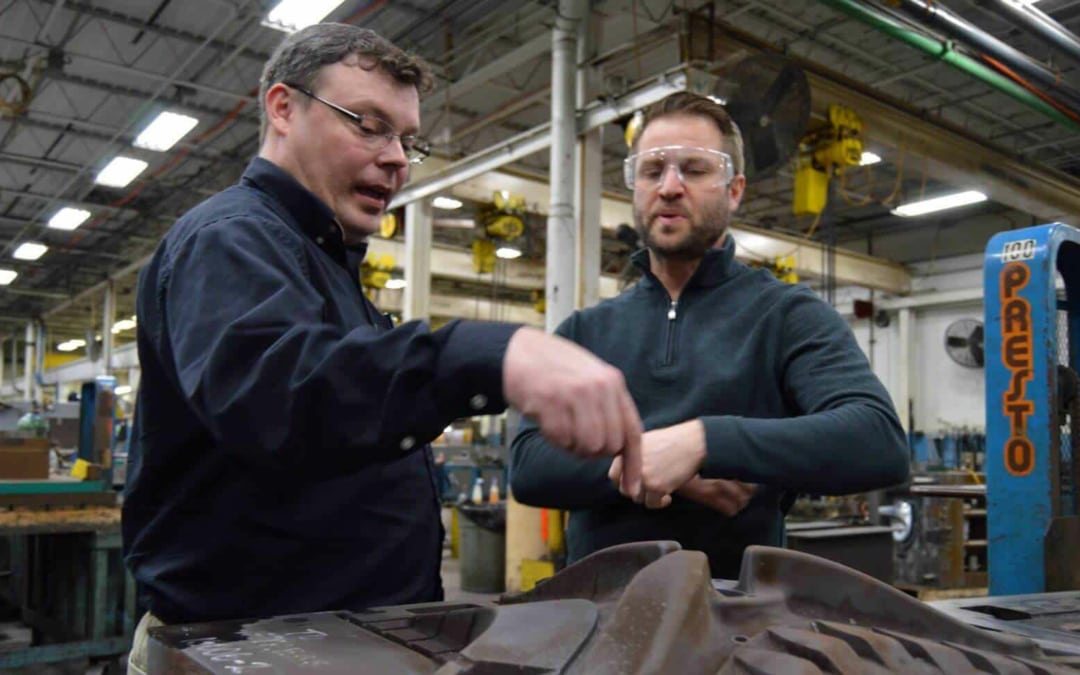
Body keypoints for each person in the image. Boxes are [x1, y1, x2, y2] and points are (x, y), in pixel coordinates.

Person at [122, 23, 648, 666]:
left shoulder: (326, 269)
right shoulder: (229, 239)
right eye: (368, 125)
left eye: (407, 139)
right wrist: (486, 353)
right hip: (245, 648)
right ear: (283, 108)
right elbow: (275, 395)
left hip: (336, 641)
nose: (397, 156)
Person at [510, 92, 910, 580]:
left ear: (734, 189)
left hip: (737, 625)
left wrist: (705, 441)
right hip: (593, 618)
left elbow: (877, 440)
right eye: (652, 170)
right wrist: (658, 463)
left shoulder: (787, 316)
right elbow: (529, 466)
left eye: (695, 170)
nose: (670, 187)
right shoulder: (584, 331)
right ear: (635, 187)